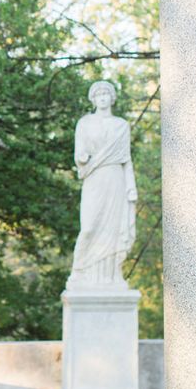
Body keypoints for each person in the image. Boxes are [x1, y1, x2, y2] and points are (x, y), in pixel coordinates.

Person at [67, 80, 138, 288]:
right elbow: (79, 154)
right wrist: (81, 157)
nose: (103, 98)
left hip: (116, 178)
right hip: (95, 177)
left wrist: (131, 187)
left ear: (112, 98)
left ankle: (112, 275)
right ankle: (79, 271)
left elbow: (127, 160)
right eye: (98, 95)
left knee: (113, 229)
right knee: (89, 227)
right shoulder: (85, 123)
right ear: (93, 99)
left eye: (106, 94)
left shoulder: (121, 125)